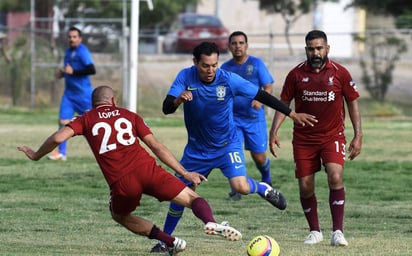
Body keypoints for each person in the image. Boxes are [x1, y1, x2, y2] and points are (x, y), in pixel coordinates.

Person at [18, 85, 243, 256]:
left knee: (120, 215)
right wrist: (185, 173)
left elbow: (58, 137)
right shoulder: (129, 115)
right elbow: (156, 146)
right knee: (193, 198)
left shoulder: (86, 119)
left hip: (123, 182)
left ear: (93, 103)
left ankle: (171, 242)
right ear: (113, 100)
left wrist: (36, 154)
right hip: (148, 170)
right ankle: (210, 222)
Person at [150, 42, 317, 253]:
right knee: (179, 194)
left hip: (227, 146)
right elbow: (166, 108)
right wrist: (178, 100)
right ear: (195, 63)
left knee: (241, 187)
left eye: (214, 65)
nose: (210, 70)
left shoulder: (228, 79)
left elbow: (261, 95)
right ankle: (167, 242)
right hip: (196, 151)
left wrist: (291, 114)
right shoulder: (185, 76)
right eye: (205, 66)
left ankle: (263, 188)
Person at [268, 30, 362, 246]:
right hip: (303, 139)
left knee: (335, 176)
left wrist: (358, 135)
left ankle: (337, 232)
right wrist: (273, 131)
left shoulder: (340, 73)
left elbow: (353, 102)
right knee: (305, 186)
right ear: (306, 50)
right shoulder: (296, 75)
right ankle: (315, 231)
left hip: (332, 136)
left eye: (319, 48)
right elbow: (284, 104)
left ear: (327, 48)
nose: (315, 52)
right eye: (311, 49)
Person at [221, 31, 274, 201]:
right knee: (234, 153)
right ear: (229, 46)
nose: (238, 46)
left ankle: (266, 178)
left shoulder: (256, 64)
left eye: (241, 43)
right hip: (233, 119)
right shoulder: (225, 68)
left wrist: (260, 100)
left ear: (246, 45)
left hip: (253, 119)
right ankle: (236, 189)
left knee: (258, 156)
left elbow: (268, 86)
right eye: (234, 43)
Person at [48, 26, 96, 161]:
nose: (72, 39)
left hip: (84, 95)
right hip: (69, 95)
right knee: (62, 122)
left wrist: (73, 72)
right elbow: (70, 70)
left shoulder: (83, 51)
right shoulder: (68, 52)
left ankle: (105, 150)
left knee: (93, 124)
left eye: (75, 37)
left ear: (80, 39)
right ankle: (61, 153)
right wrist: (63, 74)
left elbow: (92, 70)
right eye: (70, 37)